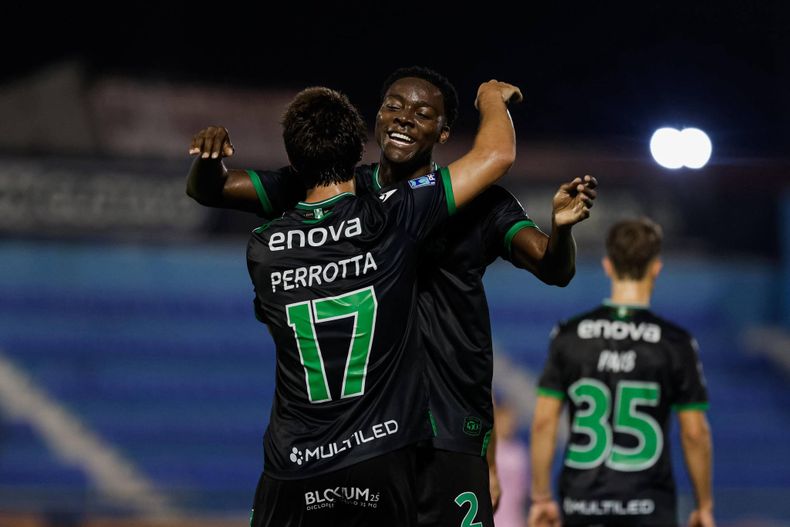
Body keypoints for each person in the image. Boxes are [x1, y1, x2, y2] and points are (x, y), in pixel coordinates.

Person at [187, 66, 597, 527]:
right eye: (393, 107)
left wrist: (561, 231)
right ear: (376, 118)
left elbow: (552, 267)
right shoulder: (340, 186)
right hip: (370, 432)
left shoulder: (482, 202)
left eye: (422, 113)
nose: (403, 119)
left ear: (443, 132)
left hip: (448, 423)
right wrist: (207, 158)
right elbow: (213, 189)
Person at [233, 81, 522, 526]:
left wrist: (209, 172)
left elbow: (217, 191)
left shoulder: (263, 247)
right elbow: (495, 157)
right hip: (375, 453)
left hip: (289, 464)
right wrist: (490, 98)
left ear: (293, 161)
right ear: (357, 156)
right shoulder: (389, 220)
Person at [528, 218, 715, 527]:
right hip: (649, 506)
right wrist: (703, 505)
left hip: (582, 504)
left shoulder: (568, 335)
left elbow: (544, 423)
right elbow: (695, 434)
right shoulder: (675, 342)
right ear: (656, 267)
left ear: (607, 265)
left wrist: (541, 498)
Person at [492, 401, 530, 527]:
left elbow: (523, 490)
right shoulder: (489, 450)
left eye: (511, 421)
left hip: (513, 517)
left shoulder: (519, 452)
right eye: (504, 420)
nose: (509, 425)